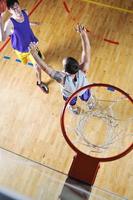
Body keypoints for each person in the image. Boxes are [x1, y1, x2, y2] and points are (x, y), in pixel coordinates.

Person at [29, 24, 92, 114]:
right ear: (77, 64)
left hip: (70, 94)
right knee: (87, 96)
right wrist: (83, 33)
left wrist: (34, 54)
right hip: (83, 90)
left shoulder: (62, 79)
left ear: (65, 71)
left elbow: (46, 69)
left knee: (72, 102)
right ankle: (90, 104)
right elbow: (86, 50)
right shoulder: (83, 68)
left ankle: (74, 110)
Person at [0, 0, 49, 93]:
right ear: (10, 11)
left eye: (17, 7)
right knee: (25, 62)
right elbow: (2, 38)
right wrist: (1, 20)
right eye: (13, 9)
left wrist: (32, 23)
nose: (17, 10)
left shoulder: (25, 12)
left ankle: (39, 83)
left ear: (19, 5)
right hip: (20, 50)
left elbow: (25, 23)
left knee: (38, 66)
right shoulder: (10, 23)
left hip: (31, 47)